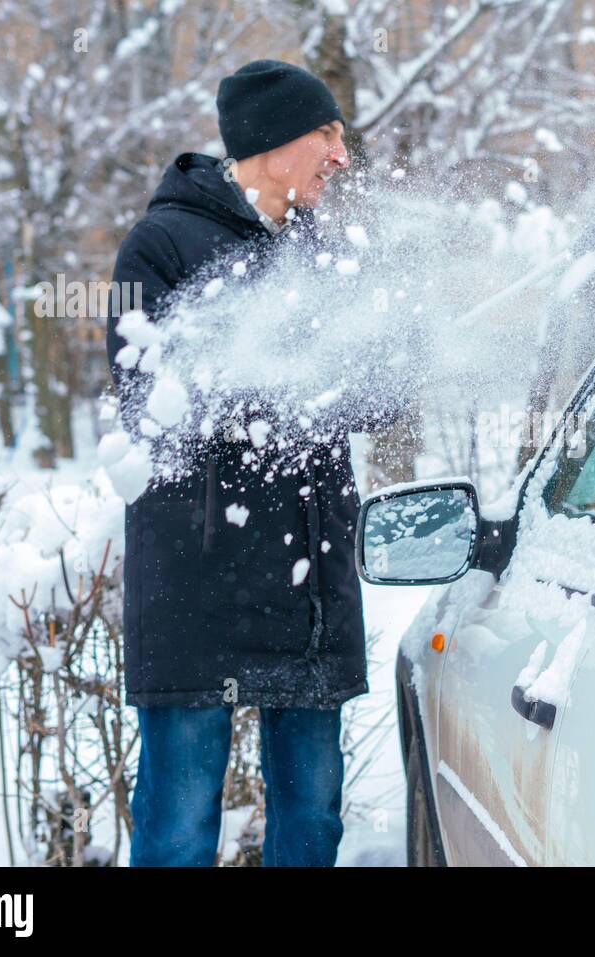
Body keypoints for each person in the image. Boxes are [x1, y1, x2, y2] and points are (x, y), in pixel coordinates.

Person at [106, 60, 391, 867]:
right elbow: (143, 401)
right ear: (272, 141)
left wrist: (388, 363)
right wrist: (294, 384)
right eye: (327, 134)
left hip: (309, 582)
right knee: (180, 823)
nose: (342, 155)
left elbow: (366, 402)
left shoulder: (326, 254)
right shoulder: (156, 246)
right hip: (198, 583)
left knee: (312, 818)